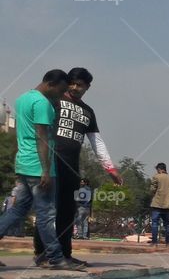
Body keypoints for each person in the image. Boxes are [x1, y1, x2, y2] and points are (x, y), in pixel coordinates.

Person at [32, 67, 123, 267]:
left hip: (72, 167)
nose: (74, 87)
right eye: (71, 83)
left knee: (67, 211)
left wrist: (110, 168)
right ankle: (42, 254)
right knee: (47, 209)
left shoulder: (88, 112)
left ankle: (65, 253)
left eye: (80, 85)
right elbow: (38, 128)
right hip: (50, 163)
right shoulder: (53, 102)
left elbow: (96, 141)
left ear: (87, 87)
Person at [0, 69, 76, 269]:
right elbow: (42, 137)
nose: (62, 94)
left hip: (24, 163)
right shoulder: (42, 103)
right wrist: (45, 170)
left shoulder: (23, 99)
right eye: (61, 90)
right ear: (52, 83)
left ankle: (55, 256)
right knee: (46, 215)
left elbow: (20, 133)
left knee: (16, 211)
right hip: (38, 167)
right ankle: (56, 258)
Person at [149, 162, 169, 247]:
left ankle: (154, 243)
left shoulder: (156, 177)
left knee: (155, 223)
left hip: (157, 204)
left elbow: (152, 189)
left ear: (159, 169)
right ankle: (168, 244)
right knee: (167, 224)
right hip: (167, 204)